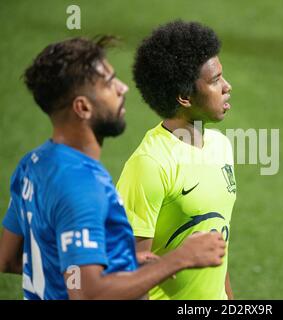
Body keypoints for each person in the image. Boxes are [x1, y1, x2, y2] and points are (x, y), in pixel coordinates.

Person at [0, 36, 226, 300]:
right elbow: (90, 294)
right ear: (83, 107)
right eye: (109, 84)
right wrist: (177, 259)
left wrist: (118, 266)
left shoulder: (33, 164)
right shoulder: (84, 188)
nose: (123, 89)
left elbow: (9, 259)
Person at [116, 20, 236, 300]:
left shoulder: (221, 146)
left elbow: (218, 245)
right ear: (184, 96)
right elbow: (129, 271)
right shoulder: (150, 164)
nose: (227, 86)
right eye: (215, 80)